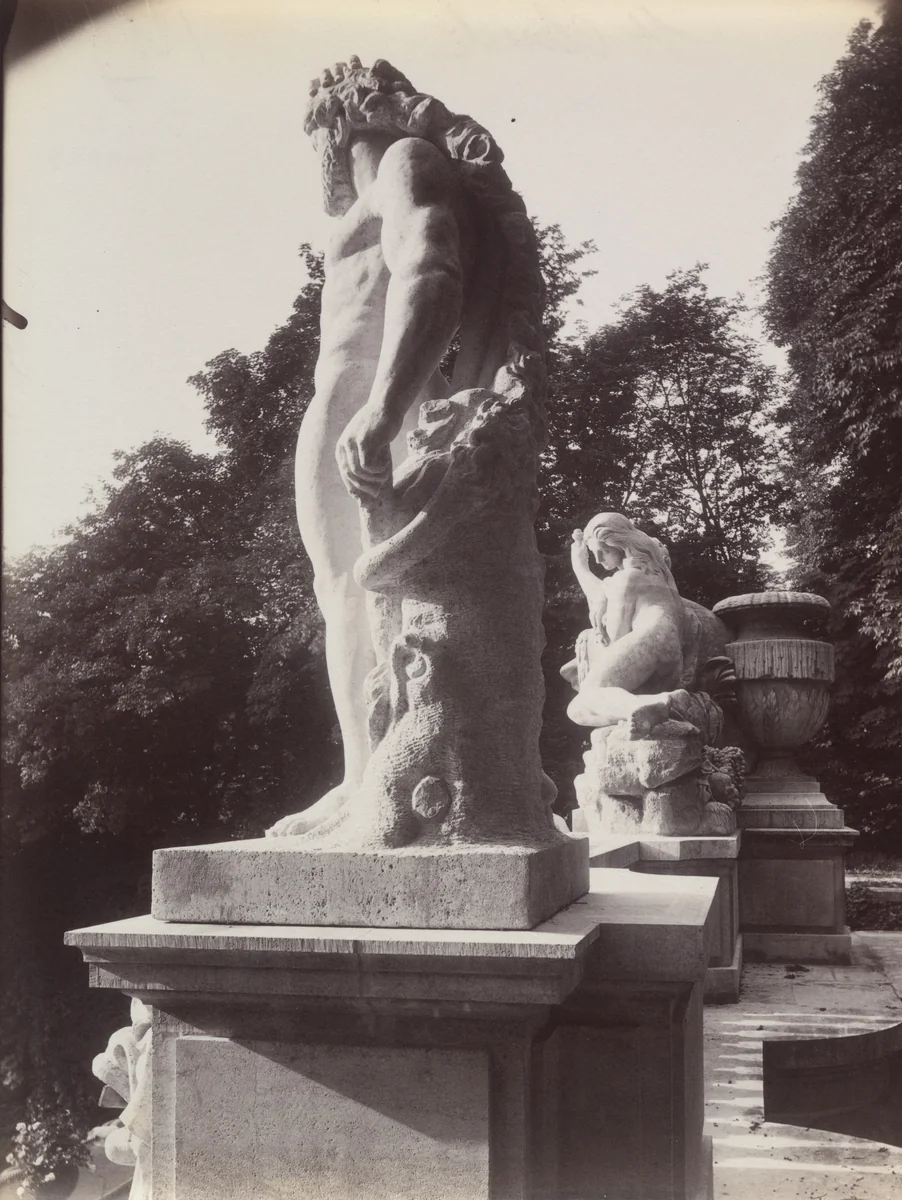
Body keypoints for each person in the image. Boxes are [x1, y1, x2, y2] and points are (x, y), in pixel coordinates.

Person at [269, 58, 543, 836]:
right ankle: (367, 771)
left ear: (332, 122)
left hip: (366, 405)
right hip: (377, 404)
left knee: (361, 592)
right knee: (360, 594)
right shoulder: (408, 171)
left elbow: (431, 266)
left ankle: (370, 780)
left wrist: (383, 409)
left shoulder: (400, 163)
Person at [565, 513, 713, 736]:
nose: (598, 560)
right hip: (669, 651)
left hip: (648, 640)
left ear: (621, 544)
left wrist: (581, 568)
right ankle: (659, 702)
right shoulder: (660, 575)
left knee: (580, 705)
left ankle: (644, 706)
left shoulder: (627, 579)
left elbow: (616, 637)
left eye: (603, 551)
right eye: (593, 553)